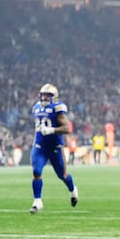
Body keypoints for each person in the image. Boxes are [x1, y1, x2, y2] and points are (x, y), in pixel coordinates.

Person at [30, 83, 79, 213]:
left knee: (62, 175)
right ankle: (37, 201)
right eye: (43, 95)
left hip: (55, 147)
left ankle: (73, 190)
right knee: (36, 171)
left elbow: (67, 128)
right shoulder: (36, 107)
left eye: (48, 95)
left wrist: (51, 130)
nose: (44, 98)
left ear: (54, 97)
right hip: (40, 146)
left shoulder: (57, 108)